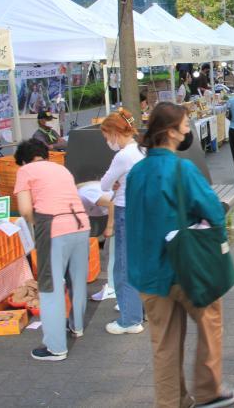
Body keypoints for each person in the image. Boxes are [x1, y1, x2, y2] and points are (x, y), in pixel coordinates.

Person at [125, 103, 234, 408]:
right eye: (185, 124)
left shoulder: (136, 172)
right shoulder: (182, 169)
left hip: (147, 273)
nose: (189, 129)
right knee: (210, 324)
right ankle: (208, 391)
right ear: (170, 132)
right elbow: (214, 211)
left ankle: (172, 402)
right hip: (187, 270)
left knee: (163, 346)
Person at [13, 139, 90, 361]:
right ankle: (77, 327)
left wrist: (34, 223)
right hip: (81, 224)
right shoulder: (61, 169)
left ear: (24, 160)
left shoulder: (26, 170)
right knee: (77, 279)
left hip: (53, 226)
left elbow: (26, 208)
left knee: (51, 285)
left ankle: (56, 347)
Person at [100, 108, 145, 335]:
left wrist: (115, 183)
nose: (108, 141)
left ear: (116, 133)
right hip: (141, 211)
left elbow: (104, 185)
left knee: (124, 266)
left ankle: (130, 319)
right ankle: (136, 310)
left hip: (125, 210)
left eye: (107, 137)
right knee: (135, 264)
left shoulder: (123, 155)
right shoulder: (139, 150)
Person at [77, 181, 116, 302]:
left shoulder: (85, 193)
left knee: (113, 253)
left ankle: (113, 287)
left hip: (123, 215)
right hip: (122, 214)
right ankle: (113, 286)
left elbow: (112, 204)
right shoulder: (83, 193)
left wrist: (109, 227)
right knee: (110, 252)